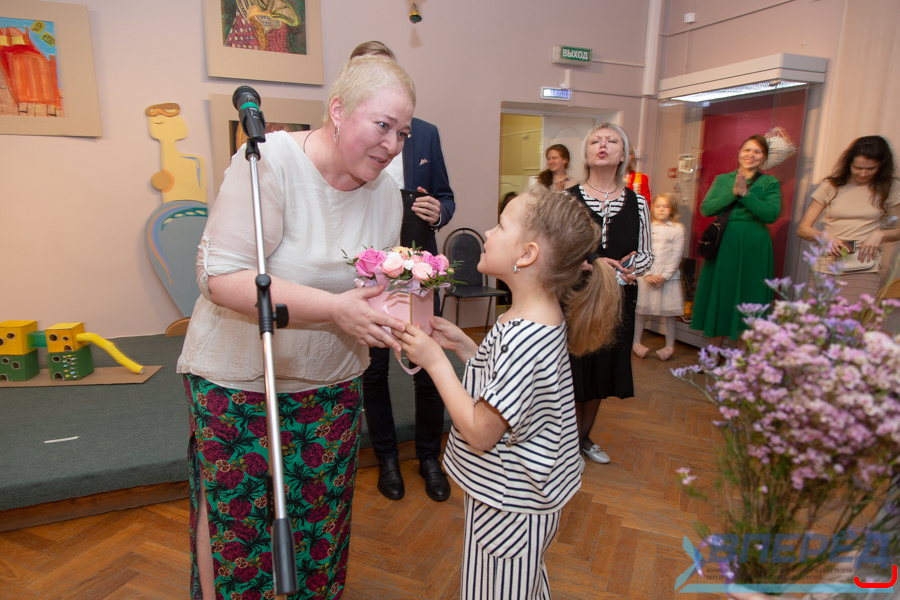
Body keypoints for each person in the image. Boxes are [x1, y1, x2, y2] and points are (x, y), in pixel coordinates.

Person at [177, 55, 416, 600]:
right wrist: (333, 309)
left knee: (319, 525)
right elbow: (219, 277)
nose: (393, 145)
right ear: (338, 111)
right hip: (241, 382)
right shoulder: (268, 161)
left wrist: (407, 315)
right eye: (383, 125)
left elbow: (372, 282)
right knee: (237, 527)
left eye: (402, 132)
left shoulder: (385, 191)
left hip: (332, 385)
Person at [392, 185, 621, 599]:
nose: (487, 232)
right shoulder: (532, 316)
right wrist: (466, 348)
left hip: (510, 503)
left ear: (527, 254)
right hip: (520, 495)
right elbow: (512, 387)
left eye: (500, 225)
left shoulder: (524, 336)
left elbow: (481, 431)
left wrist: (436, 362)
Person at [349, 41, 456, 503]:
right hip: (369, 267)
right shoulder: (347, 135)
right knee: (374, 370)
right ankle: (387, 459)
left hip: (419, 268)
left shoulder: (425, 133)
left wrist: (439, 211)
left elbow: (446, 195)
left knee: (427, 364)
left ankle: (429, 457)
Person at [566, 122, 652, 464]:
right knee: (572, 370)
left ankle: (582, 439)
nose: (603, 145)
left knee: (601, 369)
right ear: (587, 154)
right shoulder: (567, 199)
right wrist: (590, 264)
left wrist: (633, 267)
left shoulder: (638, 202)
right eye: (595, 141)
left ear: (623, 155)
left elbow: (647, 254)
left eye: (611, 141)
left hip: (617, 299)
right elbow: (556, 251)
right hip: (576, 298)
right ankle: (564, 445)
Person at [690, 134, 782, 347]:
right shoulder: (722, 179)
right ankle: (713, 355)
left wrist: (746, 195)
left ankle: (742, 358)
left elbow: (770, 214)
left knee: (751, 296)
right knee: (722, 294)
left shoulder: (769, 182)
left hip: (755, 247)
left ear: (764, 157)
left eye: (757, 151)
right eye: (747, 150)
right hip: (725, 244)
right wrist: (733, 194)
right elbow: (706, 209)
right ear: (739, 153)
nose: (751, 155)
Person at [796, 135, 900, 304]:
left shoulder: (890, 188)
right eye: (858, 167)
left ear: (881, 166)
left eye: (871, 168)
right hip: (827, 265)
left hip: (864, 267)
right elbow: (803, 229)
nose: (863, 173)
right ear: (849, 163)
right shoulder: (831, 186)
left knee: (854, 318)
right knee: (818, 319)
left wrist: (880, 234)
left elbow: (897, 230)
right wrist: (825, 237)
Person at [633, 193, 685, 361]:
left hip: (668, 278)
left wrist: (664, 276)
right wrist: (647, 274)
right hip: (647, 275)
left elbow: (677, 255)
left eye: (666, 206)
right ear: (652, 208)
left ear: (672, 209)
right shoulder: (645, 227)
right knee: (640, 311)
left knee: (669, 313)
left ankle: (669, 346)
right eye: (658, 206)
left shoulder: (677, 229)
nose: (661, 209)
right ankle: (636, 343)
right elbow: (640, 250)